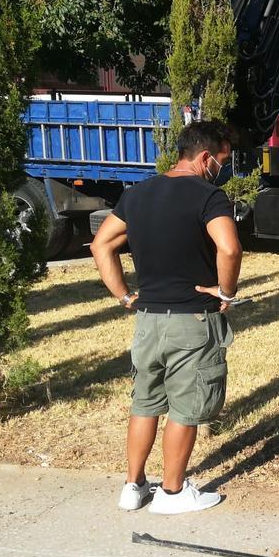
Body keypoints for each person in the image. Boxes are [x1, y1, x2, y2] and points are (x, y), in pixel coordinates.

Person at [91, 120, 242, 513]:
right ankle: (173, 493)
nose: (222, 169)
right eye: (222, 160)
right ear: (206, 157)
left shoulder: (137, 194)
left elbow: (101, 244)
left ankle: (133, 486)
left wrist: (125, 296)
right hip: (192, 321)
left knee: (145, 403)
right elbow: (229, 249)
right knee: (185, 407)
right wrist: (226, 292)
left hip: (148, 321)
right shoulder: (209, 196)